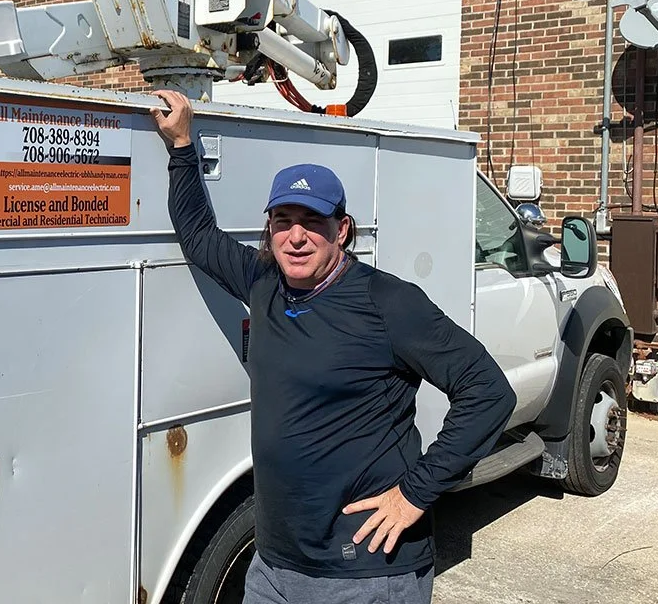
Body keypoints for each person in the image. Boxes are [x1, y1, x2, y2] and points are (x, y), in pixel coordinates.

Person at [151, 89, 515, 604]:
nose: (296, 237)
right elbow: (198, 236)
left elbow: (488, 392)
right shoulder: (264, 284)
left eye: (313, 222)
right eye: (283, 221)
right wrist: (183, 147)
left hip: (366, 576)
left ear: (341, 230)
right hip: (273, 566)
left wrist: (416, 493)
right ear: (269, 227)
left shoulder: (387, 303)